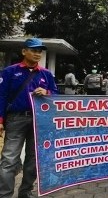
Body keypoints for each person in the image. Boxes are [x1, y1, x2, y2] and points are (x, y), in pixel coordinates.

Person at [0, 38, 58, 198]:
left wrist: (47, 93)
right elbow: (1, 96)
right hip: (15, 119)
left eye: (40, 51)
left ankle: (25, 193)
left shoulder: (46, 74)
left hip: (39, 121)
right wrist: (0, 120)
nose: (37, 53)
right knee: (9, 160)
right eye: (33, 50)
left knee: (33, 160)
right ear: (24, 51)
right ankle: (4, 194)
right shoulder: (10, 71)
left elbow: (56, 95)